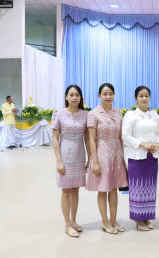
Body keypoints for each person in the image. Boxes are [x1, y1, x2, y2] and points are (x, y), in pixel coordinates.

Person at [87, 83, 128, 234]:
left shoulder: (118, 112)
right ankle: (104, 221)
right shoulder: (93, 114)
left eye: (111, 93)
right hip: (102, 153)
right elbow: (91, 139)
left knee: (114, 189)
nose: (108, 96)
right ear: (99, 95)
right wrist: (94, 161)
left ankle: (113, 219)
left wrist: (122, 157)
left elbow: (120, 137)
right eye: (105, 94)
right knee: (103, 189)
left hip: (116, 154)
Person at [51, 85, 90, 238]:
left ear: (81, 98)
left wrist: (90, 157)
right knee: (66, 191)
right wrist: (59, 161)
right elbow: (55, 138)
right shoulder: (58, 114)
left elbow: (87, 137)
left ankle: (74, 221)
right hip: (65, 156)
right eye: (71, 95)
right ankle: (67, 224)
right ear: (66, 97)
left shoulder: (85, 115)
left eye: (77, 95)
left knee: (76, 190)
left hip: (79, 156)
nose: (74, 98)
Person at [122, 86, 159, 231]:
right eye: (141, 96)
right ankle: (138, 219)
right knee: (138, 187)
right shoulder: (131, 115)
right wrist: (142, 144)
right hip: (137, 156)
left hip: (152, 156)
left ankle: (147, 217)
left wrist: (157, 144)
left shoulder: (154, 115)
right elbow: (125, 135)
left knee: (150, 187)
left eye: (146, 96)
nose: (144, 99)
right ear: (136, 98)